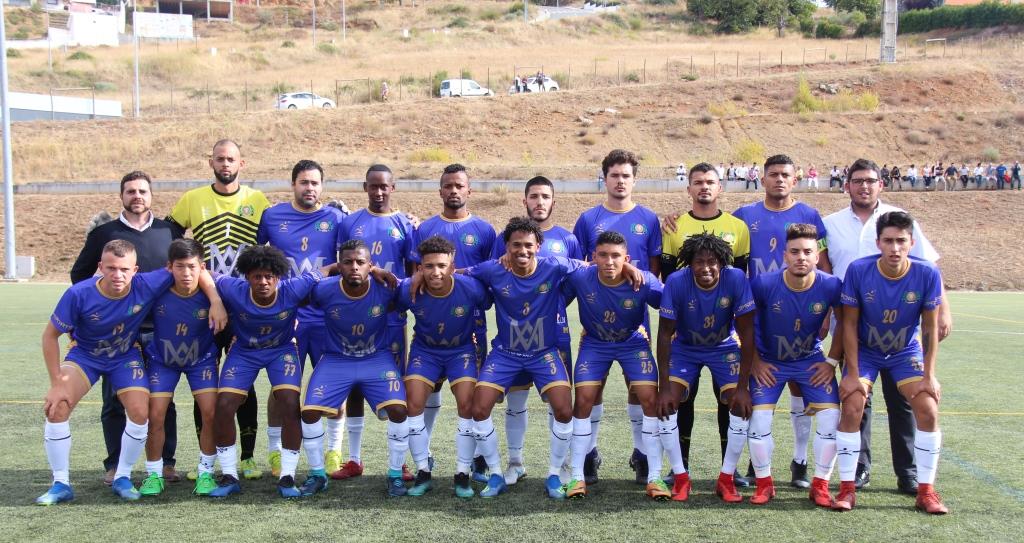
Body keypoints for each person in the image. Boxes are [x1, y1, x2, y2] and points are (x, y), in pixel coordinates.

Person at [456, 217, 642, 500]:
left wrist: (626, 265)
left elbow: (594, 265)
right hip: (506, 353)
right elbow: (454, 273)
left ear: (538, 246)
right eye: (515, 245)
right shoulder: (492, 269)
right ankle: (496, 473)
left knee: (564, 410)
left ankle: (555, 473)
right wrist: (419, 275)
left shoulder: (554, 265)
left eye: (528, 245)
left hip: (544, 353)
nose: (522, 250)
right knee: (478, 409)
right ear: (505, 247)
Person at [35, 240, 225, 505]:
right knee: (57, 407)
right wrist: (56, 382)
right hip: (85, 356)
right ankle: (60, 483)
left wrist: (215, 299)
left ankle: (123, 477)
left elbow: (197, 269)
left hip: (125, 356)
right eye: (111, 268)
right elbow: (49, 336)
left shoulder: (146, 284)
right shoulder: (79, 294)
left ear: (135, 270)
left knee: (141, 411)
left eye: (124, 269)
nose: (118, 275)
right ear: (100, 267)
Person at [823, 158, 952, 495]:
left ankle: (914, 478)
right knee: (855, 402)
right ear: (846, 185)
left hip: (901, 346)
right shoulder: (831, 224)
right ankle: (855, 477)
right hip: (855, 332)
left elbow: (930, 268)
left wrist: (930, 371)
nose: (895, 247)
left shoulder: (902, 221)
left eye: (870, 180)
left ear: (881, 184)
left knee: (915, 404)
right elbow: (824, 270)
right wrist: (847, 367)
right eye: (857, 180)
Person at [69, 170, 182, 485]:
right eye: (131, 191)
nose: (137, 196)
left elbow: (182, 270)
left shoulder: (169, 231)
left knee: (162, 397)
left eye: (143, 191)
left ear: (151, 195)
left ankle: (165, 462)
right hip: (117, 333)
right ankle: (116, 464)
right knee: (115, 399)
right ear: (122, 196)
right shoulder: (104, 233)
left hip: (159, 329)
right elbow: (79, 276)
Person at [167, 139, 270, 480]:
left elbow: (276, 242)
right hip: (203, 305)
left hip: (244, 304)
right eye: (220, 159)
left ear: (243, 163)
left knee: (245, 379)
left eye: (231, 159)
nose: (225, 164)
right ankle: (206, 457)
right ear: (209, 161)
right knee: (206, 384)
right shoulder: (192, 199)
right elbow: (166, 237)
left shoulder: (257, 200)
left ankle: (249, 457)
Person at [733, 154, 831, 490]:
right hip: (758, 312)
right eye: (773, 174)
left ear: (796, 179)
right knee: (760, 387)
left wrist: (825, 313)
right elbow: (721, 245)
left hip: (803, 312)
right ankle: (754, 463)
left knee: (800, 387)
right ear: (762, 179)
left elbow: (825, 264)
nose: (779, 179)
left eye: (785, 174)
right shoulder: (744, 216)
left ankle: (800, 461)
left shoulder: (809, 215)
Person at [207, 246, 335, 498]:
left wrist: (365, 269)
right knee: (223, 406)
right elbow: (205, 271)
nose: (263, 282)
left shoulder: (293, 288)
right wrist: (215, 299)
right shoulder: (234, 289)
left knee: (289, 403)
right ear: (247, 277)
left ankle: (287, 476)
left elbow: (327, 269)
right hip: (244, 351)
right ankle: (229, 475)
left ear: (278, 277)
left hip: (281, 350)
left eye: (269, 277)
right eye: (257, 276)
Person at [560, 231, 677, 500]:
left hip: (632, 342)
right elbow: (557, 287)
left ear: (627, 259)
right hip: (595, 343)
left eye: (616, 256)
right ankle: (577, 476)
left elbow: (671, 302)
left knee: (649, 399)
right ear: (593, 258)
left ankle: (654, 476)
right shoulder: (581, 276)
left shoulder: (642, 280)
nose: (609, 261)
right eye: (603, 255)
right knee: (584, 400)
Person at [573, 149, 661, 485]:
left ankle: (641, 453)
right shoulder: (588, 219)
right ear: (604, 178)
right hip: (596, 318)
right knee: (592, 389)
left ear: (634, 180)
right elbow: (579, 265)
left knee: (638, 388)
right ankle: (590, 453)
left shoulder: (649, 219)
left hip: (635, 318)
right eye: (614, 175)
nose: (620, 181)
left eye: (626, 175)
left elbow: (652, 272)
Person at [660, 162, 751, 486]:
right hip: (686, 332)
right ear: (689, 188)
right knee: (681, 399)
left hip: (723, 336)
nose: (704, 187)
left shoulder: (737, 227)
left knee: (729, 400)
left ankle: (731, 469)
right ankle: (678, 467)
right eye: (697, 182)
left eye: (710, 182)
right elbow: (667, 275)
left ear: (720, 186)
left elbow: (738, 277)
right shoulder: (674, 225)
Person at [256, 160, 348, 478]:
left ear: (322, 187)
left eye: (315, 183)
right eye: (303, 182)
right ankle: (274, 453)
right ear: (293, 184)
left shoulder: (336, 218)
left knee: (334, 383)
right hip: (287, 316)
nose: (309, 188)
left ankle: (334, 451)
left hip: (326, 315)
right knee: (282, 388)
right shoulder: (272, 216)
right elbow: (257, 260)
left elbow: (354, 254)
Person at [299, 240, 411, 498]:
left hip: (377, 358)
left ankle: (395, 474)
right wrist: (327, 269)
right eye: (347, 262)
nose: (354, 267)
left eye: (361, 262)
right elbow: (296, 291)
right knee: (310, 411)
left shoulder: (386, 288)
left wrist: (382, 273)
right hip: (337, 359)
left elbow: (413, 287)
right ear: (339, 265)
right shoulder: (325, 290)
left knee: (398, 408)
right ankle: (317, 474)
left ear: (371, 266)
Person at [492, 176, 583, 485]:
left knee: (557, 402)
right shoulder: (506, 237)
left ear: (553, 202)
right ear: (525, 200)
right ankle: (515, 462)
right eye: (534, 196)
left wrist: (549, 302)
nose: (539, 201)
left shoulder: (567, 238)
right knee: (516, 401)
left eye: (545, 196)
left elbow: (574, 281)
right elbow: (496, 275)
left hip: (555, 334)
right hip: (514, 335)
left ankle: (560, 467)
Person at [330, 164, 417, 482]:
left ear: (393, 188)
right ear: (365, 187)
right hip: (353, 314)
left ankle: (401, 461)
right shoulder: (350, 222)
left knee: (397, 385)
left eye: (385, 186)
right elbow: (341, 265)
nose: (379, 192)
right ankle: (354, 459)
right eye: (373, 186)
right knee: (353, 385)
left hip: (391, 317)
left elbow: (410, 271)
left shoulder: (404, 224)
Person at [747, 224, 844, 507]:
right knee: (759, 421)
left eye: (808, 252)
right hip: (770, 363)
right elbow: (745, 325)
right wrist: (755, 362)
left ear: (817, 256)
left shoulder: (831, 285)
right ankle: (764, 484)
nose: (801, 257)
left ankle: (821, 485)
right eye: (795, 251)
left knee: (830, 420)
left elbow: (845, 324)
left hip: (809, 361)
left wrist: (831, 361)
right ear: (784, 255)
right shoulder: (763, 284)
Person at [655, 233, 757, 504]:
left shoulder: (735, 278)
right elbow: (664, 335)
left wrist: (744, 388)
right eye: (699, 262)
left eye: (712, 262)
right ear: (689, 263)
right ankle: (680, 477)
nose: (706, 268)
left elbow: (747, 334)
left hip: (723, 347)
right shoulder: (677, 281)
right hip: (685, 347)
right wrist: (663, 387)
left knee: (738, 404)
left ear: (722, 262)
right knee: (667, 405)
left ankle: (726, 478)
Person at [415, 163, 497, 479]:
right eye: (448, 185)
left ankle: (475, 457)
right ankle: (426, 451)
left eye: (459, 186)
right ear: (440, 191)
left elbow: (489, 276)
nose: (454, 191)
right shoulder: (424, 229)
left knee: (470, 392)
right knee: (428, 388)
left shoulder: (486, 231)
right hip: (432, 319)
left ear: (469, 190)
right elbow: (415, 275)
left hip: (471, 321)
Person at [395, 235, 490, 497]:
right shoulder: (408, 290)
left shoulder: (470, 287)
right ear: (419, 268)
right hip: (425, 351)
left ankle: (462, 473)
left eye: (442, 265)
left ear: (452, 265)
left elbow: (489, 303)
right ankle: (423, 470)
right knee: (412, 404)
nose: (436, 272)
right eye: (429, 266)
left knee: (467, 406)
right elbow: (392, 303)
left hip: (461, 351)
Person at [138, 239, 221, 497]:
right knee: (156, 414)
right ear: (169, 268)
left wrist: (216, 300)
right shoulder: (157, 289)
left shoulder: (215, 290)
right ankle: (153, 473)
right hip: (163, 361)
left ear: (202, 267)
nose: (186, 273)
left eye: (192, 267)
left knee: (210, 414)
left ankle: (206, 473)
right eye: (180, 267)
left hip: (202, 360)